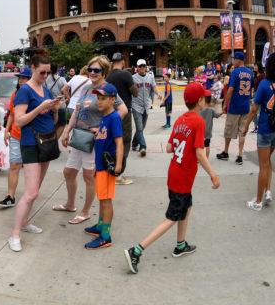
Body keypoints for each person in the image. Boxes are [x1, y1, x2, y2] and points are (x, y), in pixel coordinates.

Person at [123, 83, 220, 274]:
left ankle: (180, 244)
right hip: (183, 177)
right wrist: (213, 176)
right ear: (199, 101)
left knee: (187, 206)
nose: (206, 101)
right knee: (171, 217)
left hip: (174, 172)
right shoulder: (198, 121)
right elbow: (200, 153)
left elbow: (169, 148)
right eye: (204, 98)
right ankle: (136, 250)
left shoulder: (180, 120)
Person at [56, 56, 128, 224]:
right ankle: (70, 204)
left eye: (97, 70)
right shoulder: (87, 87)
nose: (93, 73)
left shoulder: (107, 89)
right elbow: (77, 110)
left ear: (104, 72)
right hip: (79, 137)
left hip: (93, 140)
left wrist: (103, 128)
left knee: (89, 176)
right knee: (69, 172)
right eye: (90, 69)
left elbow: (122, 110)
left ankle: (85, 211)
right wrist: (67, 131)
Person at [8, 53, 64, 252]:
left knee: (35, 191)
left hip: (46, 141)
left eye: (48, 73)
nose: (45, 76)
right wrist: (40, 107)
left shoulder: (46, 90)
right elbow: (19, 121)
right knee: (31, 192)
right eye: (42, 72)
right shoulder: (25, 91)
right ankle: (15, 233)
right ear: (32, 68)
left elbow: (52, 121)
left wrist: (55, 109)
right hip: (31, 143)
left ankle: (24, 223)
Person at [242, 52, 275, 211]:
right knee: (267, 161)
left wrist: (245, 127)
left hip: (265, 129)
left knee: (263, 165)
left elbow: (254, 109)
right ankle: (268, 191)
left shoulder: (264, 85)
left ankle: (258, 201)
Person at [82, 82, 124, 249]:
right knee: (102, 197)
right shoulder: (104, 118)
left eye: (103, 98)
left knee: (106, 200)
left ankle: (105, 235)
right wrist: (95, 166)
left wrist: (118, 165)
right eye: (98, 98)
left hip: (108, 167)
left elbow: (119, 142)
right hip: (100, 166)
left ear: (112, 100)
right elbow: (101, 144)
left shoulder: (114, 118)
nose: (99, 101)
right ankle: (100, 225)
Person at [0, 68, 30, 208]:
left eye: (24, 78)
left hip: (31, 137)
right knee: (14, 165)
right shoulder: (15, 94)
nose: (21, 80)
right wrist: (7, 130)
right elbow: (11, 113)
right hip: (16, 135)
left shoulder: (36, 95)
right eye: (20, 78)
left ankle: (30, 195)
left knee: (30, 169)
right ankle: (10, 196)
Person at [216, 52, 253, 165]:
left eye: (234, 59)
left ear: (238, 60)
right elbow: (251, 90)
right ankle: (240, 155)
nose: (233, 61)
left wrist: (225, 103)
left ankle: (226, 152)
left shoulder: (235, 72)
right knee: (242, 131)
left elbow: (231, 89)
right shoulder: (250, 72)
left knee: (229, 130)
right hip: (245, 106)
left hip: (235, 106)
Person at [106, 53, 138, 186]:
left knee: (112, 141)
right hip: (124, 112)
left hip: (110, 112)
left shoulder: (108, 76)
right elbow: (134, 92)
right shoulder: (126, 75)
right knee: (124, 141)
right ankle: (119, 174)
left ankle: (110, 169)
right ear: (123, 62)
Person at [131, 59, 162, 157]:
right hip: (136, 105)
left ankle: (134, 143)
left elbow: (154, 87)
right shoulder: (133, 78)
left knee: (141, 128)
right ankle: (143, 147)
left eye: (143, 66)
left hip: (146, 106)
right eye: (140, 66)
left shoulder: (150, 77)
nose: (142, 68)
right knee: (139, 127)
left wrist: (158, 93)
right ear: (137, 68)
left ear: (146, 67)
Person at [45, 63, 69, 138]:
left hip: (47, 106)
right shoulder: (61, 79)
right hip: (60, 106)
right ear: (57, 70)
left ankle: (50, 142)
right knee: (62, 125)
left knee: (52, 127)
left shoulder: (44, 79)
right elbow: (66, 89)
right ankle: (54, 143)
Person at [198, 92, 221, 159]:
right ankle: (206, 158)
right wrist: (222, 112)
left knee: (200, 146)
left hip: (200, 131)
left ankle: (198, 159)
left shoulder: (200, 109)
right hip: (208, 131)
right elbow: (217, 115)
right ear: (210, 100)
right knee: (207, 145)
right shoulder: (212, 110)